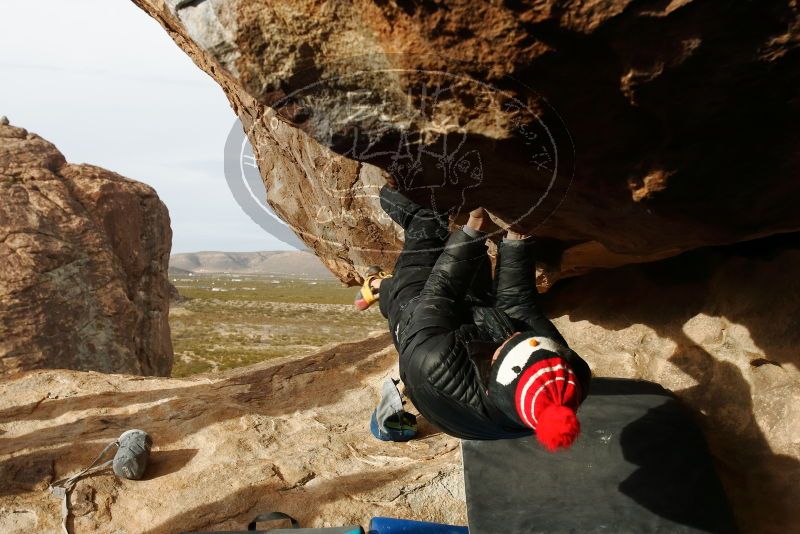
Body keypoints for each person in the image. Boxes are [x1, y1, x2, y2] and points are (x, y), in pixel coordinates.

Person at [356, 184, 592, 450]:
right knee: (474, 265)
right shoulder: (569, 373)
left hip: (420, 331)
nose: (515, 335)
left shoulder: (432, 364)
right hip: (471, 335)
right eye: (524, 339)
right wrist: (517, 240)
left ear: (494, 374)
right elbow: (519, 308)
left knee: (425, 228)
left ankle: (376, 285)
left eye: (508, 346)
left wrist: (473, 227)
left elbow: (440, 291)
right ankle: (380, 287)